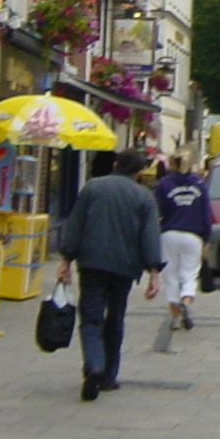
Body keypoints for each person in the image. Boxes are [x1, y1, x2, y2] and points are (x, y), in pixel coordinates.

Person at [57, 149, 164, 402]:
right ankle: (108, 375)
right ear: (139, 172)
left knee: (91, 319)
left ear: (116, 164)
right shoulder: (144, 197)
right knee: (115, 319)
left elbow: (75, 224)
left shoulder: (93, 188)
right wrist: (154, 272)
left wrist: (66, 259)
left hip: (92, 263)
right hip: (124, 267)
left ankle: (93, 364)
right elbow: (150, 236)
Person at [153, 152, 211, 331]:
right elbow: (206, 213)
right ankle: (186, 299)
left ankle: (175, 317)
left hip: (169, 234)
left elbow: (156, 211)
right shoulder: (199, 184)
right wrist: (206, 238)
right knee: (189, 274)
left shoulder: (164, 184)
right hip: (192, 235)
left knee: (170, 276)